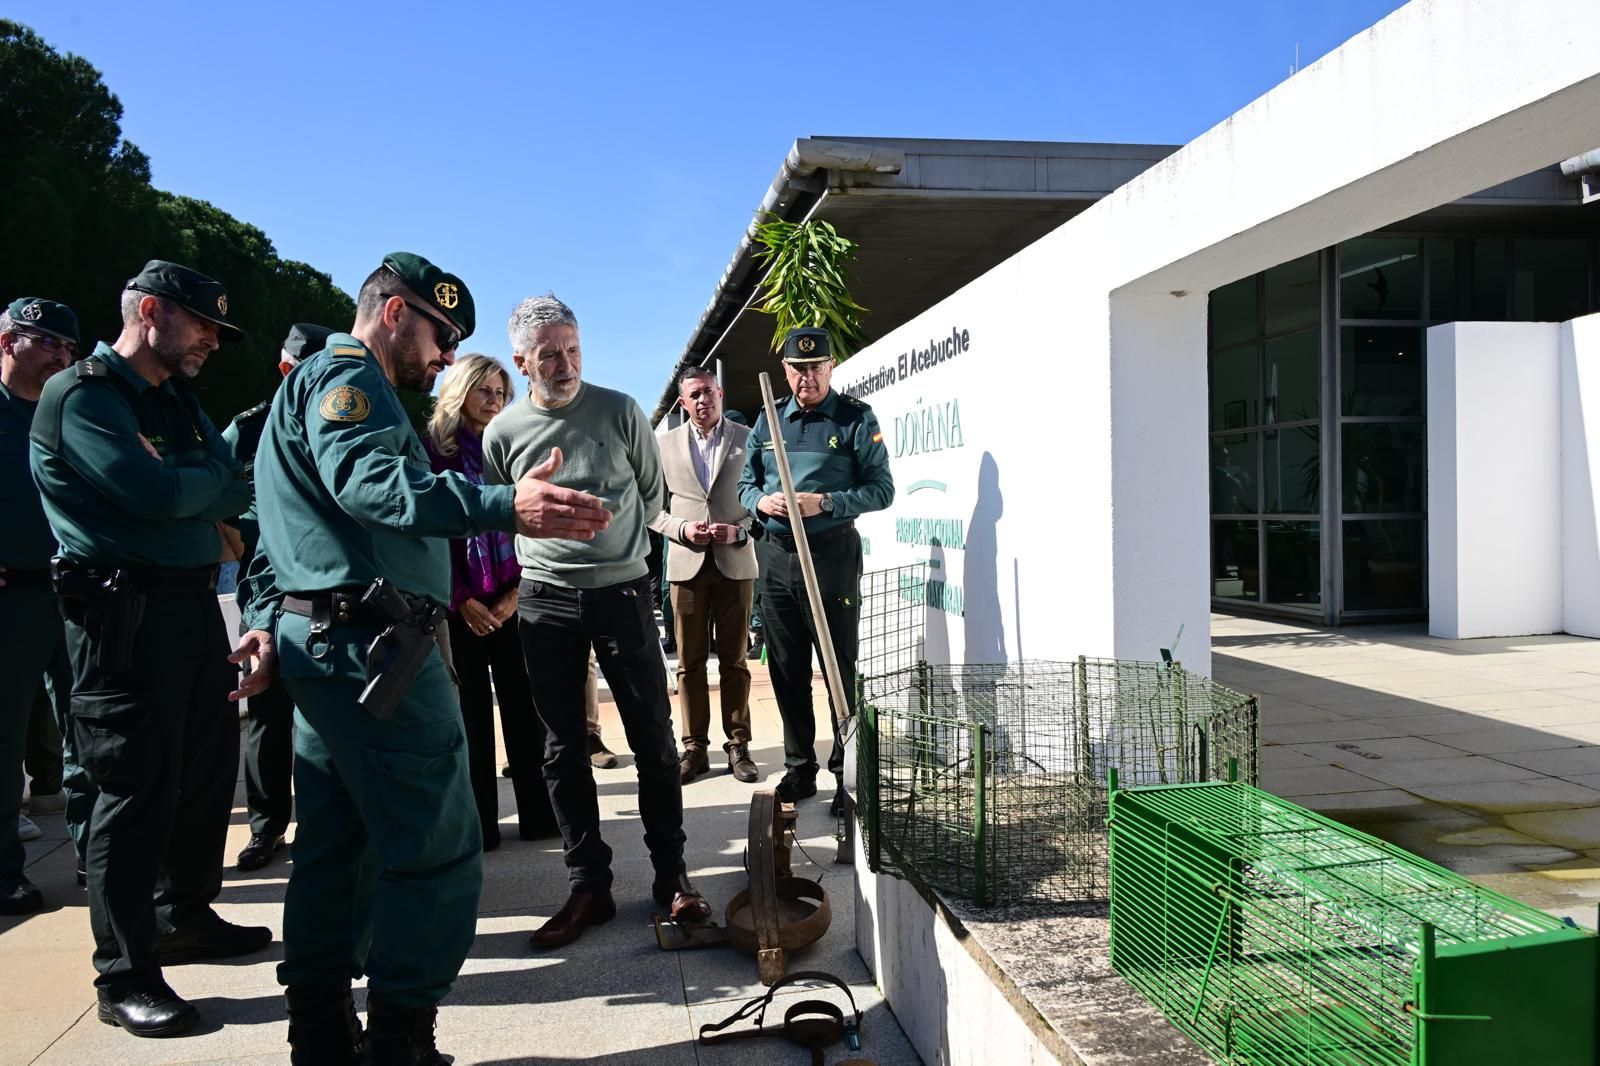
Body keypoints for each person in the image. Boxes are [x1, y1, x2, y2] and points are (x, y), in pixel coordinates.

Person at [248, 254, 610, 1066]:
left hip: (333, 647)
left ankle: (322, 1035)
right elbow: (372, 488)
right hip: (373, 655)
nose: (447, 356)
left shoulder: (302, 387)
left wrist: (273, 619)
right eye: (442, 334)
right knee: (438, 848)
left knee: (338, 849)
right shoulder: (352, 384)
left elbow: (275, 520)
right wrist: (502, 504)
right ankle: (401, 1039)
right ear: (393, 313)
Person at [29, 263, 276, 1037]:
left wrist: (190, 485)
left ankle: (184, 915)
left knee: (203, 776)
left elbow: (232, 484)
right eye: (200, 322)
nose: (210, 339)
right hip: (120, 619)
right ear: (146, 310)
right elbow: (158, 495)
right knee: (131, 797)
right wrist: (191, 489)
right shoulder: (84, 394)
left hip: (190, 608)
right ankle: (124, 974)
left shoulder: (174, 399)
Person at [484, 293, 710, 950]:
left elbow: (648, 493)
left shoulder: (618, 410)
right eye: (549, 354)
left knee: (654, 742)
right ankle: (589, 886)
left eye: (574, 348)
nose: (565, 363)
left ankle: (672, 879)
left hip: (621, 594)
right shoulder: (504, 434)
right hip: (546, 601)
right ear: (522, 361)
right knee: (560, 749)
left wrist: (612, 549)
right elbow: (507, 508)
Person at [737, 327, 895, 815]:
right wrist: (762, 501)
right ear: (785, 371)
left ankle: (846, 772)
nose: (806, 377)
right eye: (797, 369)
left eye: (816, 367)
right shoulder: (768, 420)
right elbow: (745, 486)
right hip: (777, 557)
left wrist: (824, 502)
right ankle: (799, 768)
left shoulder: (854, 418)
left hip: (829, 554)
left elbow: (882, 489)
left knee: (837, 665)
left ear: (830, 368)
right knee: (785, 668)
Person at [425, 353, 556, 850]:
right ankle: (479, 823)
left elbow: (533, 522)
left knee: (527, 711)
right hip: (458, 607)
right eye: (485, 391)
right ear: (460, 391)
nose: (494, 401)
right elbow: (430, 535)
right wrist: (460, 600)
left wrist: (518, 591)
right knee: (471, 717)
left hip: (513, 599)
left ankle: (540, 815)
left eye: (502, 393)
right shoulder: (429, 453)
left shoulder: (512, 449)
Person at [222, 322, 331, 872]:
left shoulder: (339, 423)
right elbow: (215, 505)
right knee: (267, 715)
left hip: (324, 595)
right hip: (263, 591)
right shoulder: (246, 431)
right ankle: (265, 828)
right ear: (283, 368)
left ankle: (322, 823)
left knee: (326, 716)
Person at [0, 297, 80, 914]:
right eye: (48, 342)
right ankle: (5, 871)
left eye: (68, 346)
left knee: (88, 730)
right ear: (9, 344)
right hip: (11, 597)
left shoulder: (72, 415)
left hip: (74, 591)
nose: (62, 355)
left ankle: (93, 854)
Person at [650, 366, 758, 785]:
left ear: (721, 393)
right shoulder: (663, 446)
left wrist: (741, 530)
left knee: (735, 660)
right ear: (683, 401)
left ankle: (738, 745)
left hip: (735, 561)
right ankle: (694, 747)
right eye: (694, 395)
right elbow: (650, 508)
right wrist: (680, 529)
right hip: (687, 564)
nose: (702, 400)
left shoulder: (748, 440)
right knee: (689, 663)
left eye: (709, 392)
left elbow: (761, 498)